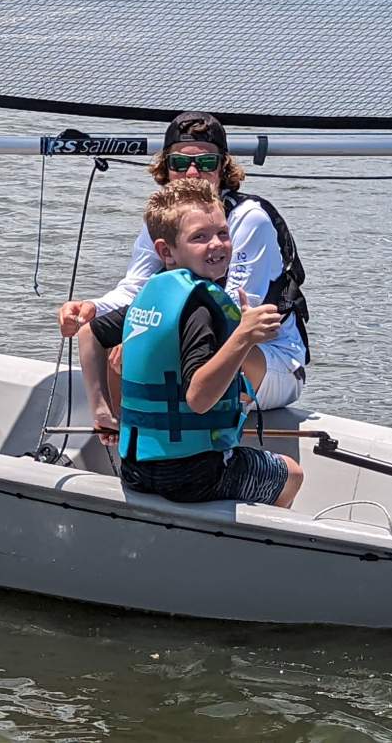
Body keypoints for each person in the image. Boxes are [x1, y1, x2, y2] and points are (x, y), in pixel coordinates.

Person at [57, 111, 310, 410]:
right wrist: (92, 308)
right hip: (202, 338)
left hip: (268, 358)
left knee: (143, 343)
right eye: (179, 163)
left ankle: (204, 446)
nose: (192, 173)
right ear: (166, 168)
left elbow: (234, 316)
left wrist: (148, 342)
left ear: (222, 168)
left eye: (205, 163)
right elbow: (133, 290)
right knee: (110, 335)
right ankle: (127, 443)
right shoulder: (164, 221)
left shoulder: (250, 218)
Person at [77, 179, 304, 508]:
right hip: (196, 475)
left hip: (135, 468)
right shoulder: (202, 308)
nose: (217, 244)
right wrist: (243, 337)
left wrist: (101, 409)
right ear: (165, 250)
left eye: (223, 234)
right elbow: (198, 398)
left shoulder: (153, 297)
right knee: (292, 474)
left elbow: (90, 334)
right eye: (200, 237)